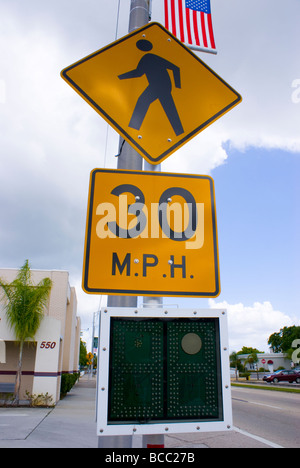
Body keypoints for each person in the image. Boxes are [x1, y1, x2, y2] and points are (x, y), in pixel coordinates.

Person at [118, 39, 184, 136]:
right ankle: (179, 132)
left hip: (161, 85)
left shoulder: (150, 57)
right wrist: (120, 77)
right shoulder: (147, 58)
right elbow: (139, 73)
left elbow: (175, 68)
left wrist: (178, 86)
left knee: (147, 102)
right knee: (166, 107)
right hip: (157, 85)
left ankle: (133, 128)